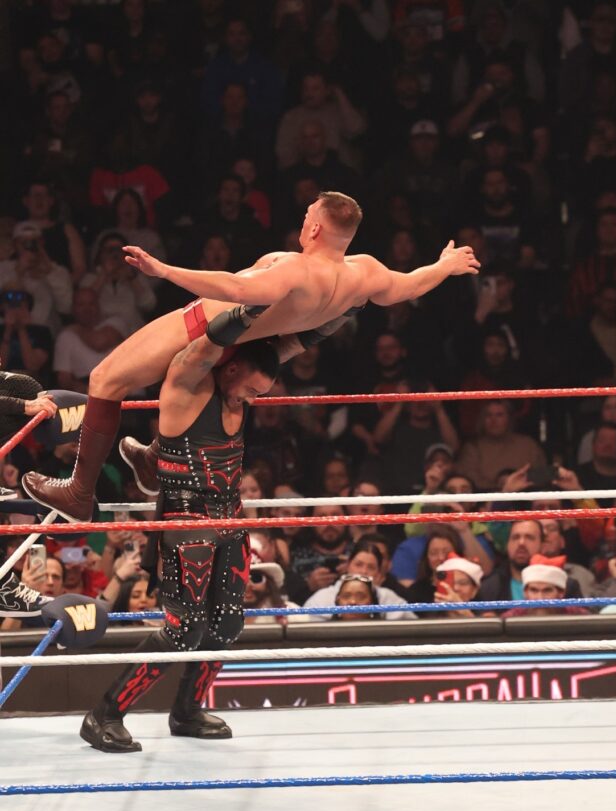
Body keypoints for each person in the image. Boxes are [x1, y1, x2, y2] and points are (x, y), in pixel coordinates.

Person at [24, 190, 480, 522]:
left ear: (316, 227)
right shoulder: (364, 273)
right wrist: (445, 266)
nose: (303, 220)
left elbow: (236, 287)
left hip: (206, 324)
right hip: (251, 345)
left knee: (105, 379)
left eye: (307, 215)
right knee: (170, 395)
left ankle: (80, 493)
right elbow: (409, 284)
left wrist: (162, 269)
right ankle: (150, 462)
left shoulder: (298, 269)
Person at [80, 334, 280, 753]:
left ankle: (187, 711)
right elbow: (201, 344)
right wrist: (245, 308)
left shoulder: (239, 400)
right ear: (231, 368)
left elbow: (295, 342)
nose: (255, 399)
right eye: (251, 388)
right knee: (183, 627)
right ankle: (105, 714)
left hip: (230, 517)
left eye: (261, 394)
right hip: (187, 520)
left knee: (227, 623)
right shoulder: (190, 389)